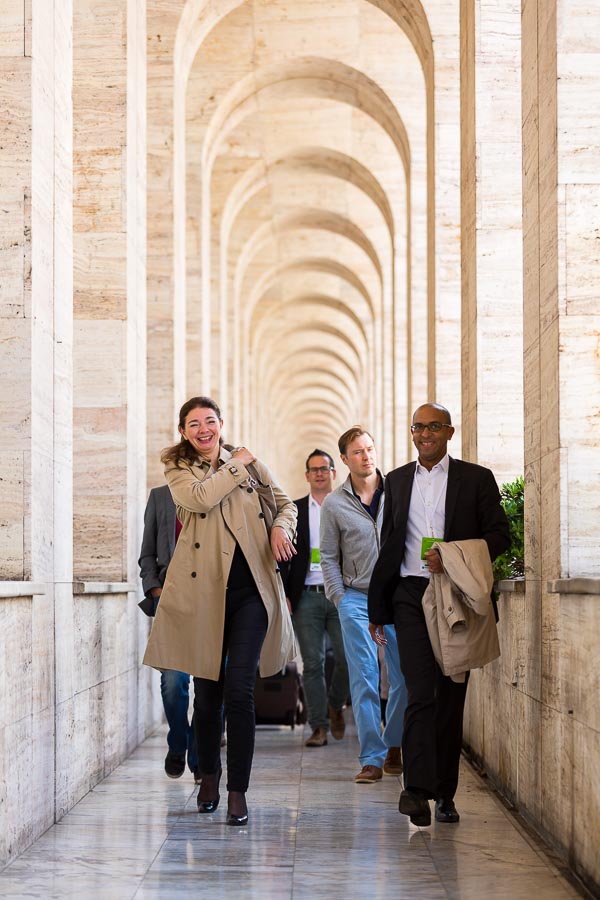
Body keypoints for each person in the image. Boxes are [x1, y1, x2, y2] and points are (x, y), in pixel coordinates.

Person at [143, 396, 297, 826]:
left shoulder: (247, 460)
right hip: (202, 596)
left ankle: (237, 791)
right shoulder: (177, 467)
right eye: (194, 424)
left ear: (221, 424)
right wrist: (236, 465)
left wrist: (282, 528)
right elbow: (199, 500)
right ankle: (208, 776)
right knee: (207, 695)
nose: (203, 429)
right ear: (184, 432)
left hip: (252, 592)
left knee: (240, 691)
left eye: (210, 421)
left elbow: (285, 503)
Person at [368, 403, 510, 826]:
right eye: (418, 427)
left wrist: (451, 558)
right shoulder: (395, 480)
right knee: (419, 689)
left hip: (456, 597)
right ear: (412, 434)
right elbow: (389, 544)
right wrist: (378, 607)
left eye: (434, 427)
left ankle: (445, 792)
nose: (425, 434)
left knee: (450, 694)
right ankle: (415, 790)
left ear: (449, 432)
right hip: (410, 595)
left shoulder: (476, 479)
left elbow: (499, 535)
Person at [320, 426, 407, 784]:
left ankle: (395, 744)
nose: (366, 456)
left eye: (370, 448)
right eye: (357, 452)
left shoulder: (399, 492)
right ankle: (371, 757)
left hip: (399, 595)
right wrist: (339, 598)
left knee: (402, 677)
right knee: (365, 676)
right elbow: (327, 556)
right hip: (356, 597)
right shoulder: (334, 503)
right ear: (344, 459)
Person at [282, 449, 350, 748]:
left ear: (334, 473)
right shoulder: (294, 510)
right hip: (306, 596)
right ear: (307, 475)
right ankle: (318, 726)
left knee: (348, 660)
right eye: (314, 469)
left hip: (341, 594)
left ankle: (336, 704)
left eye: (325, 468)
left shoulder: (348, 506)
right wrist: (285, 594)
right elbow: (283, 556)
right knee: (313, 663)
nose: (320, 473)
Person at [138, 485, 198, 780]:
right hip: (170, 599)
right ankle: (178, 742)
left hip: (213, 601)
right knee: (173, 680)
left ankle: (201, 755)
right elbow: (147, 552)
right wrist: (155, 588)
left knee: (214, 685)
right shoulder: (161, 496)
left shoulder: (221, 489)